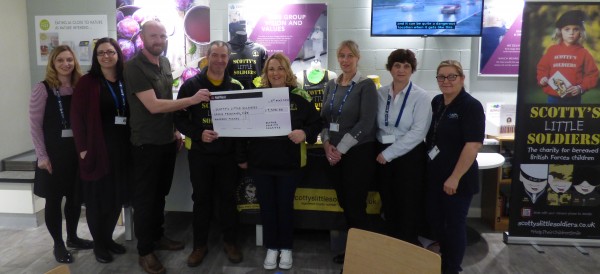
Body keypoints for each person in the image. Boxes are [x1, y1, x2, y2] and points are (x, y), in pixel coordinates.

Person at [124, 19, 210, 274]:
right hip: (145, 144)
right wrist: (192, 99)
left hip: (165, 141)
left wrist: (174, 130)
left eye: (162, 36)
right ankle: (145, 252)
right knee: (145, 200)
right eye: (154, 36)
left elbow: (165, 99)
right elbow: (153, 105)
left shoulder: (163, 62)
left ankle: (157, 237)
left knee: (160, 194)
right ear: (142, 37)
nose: (159, 40)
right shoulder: (133, 67)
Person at [238, 53, 322, 270]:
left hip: (289, 164)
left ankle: (286, 248)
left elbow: (316, 124)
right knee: (267, 207)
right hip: (261, 163)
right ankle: (272, 247)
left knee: (285, 206)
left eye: (280, 68)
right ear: (266, 73)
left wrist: (304, 132)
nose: (276, 73)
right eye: (271, 69)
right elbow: (243, 128)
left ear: (287, 71)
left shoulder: (300, 96)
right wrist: (242, 157)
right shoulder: (256, 96)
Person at [173, 40, 244, 267]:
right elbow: (179, 118)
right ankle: (199, 245)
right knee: (201, 200)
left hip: (227, 156)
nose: (220, 60)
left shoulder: (236, 86)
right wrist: (199, 133)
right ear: (207, 56)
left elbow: (245, 123)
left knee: (228, 199)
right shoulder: (190, 85)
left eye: (224, 56)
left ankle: (230, 242)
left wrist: (241, 156)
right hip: (200, 155)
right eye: (215, 55)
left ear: (228, 58)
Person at [29, 45, 93, 264]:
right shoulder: (43, 88)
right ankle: (58, 243)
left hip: (76, 153)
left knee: (75, 199)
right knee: (54, 201)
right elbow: (35, 126)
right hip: (53, 155)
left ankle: (73, 237)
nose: (66, 64)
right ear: (53, 64)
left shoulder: (79, 87)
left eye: (69, 60)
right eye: (60, 61)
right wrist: (42, 156)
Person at [70, 37, 129, 263]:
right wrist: (83, 148)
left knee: (116, 198)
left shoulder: (124, 79)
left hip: (122, 149)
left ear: (118, 54)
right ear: (96, 57)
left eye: (110, 52)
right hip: (97, 149)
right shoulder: (88, 82)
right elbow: (77, 117)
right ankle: (99, 245)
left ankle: (108, 238)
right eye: (101, 53)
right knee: (97, 200)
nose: (106, 56)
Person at [321, 40, 378, 264]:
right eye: (341, 56)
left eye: (350, 56)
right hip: (333, 152)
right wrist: (327, 145)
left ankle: (362, 257)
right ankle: (355, 250)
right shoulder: (331, 85)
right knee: (345, 202)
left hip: (357, 154)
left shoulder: (366, 86)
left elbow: (366, 123)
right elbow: (324, 119)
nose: (345, 60)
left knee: (355, 206)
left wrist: (340, 150)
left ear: (357, 58)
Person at [426, 60, 484, 274]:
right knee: (436, 221)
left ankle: (452, 268)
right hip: (435, 176)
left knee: (454, 226)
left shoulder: (471, 106)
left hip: (457, 180)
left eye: (452, 76)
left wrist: (455, 177)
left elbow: (473, 145)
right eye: (441, 77)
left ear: (462, 78)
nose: (446, 81)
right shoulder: (437, 102)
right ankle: (443, 258)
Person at [375, 49, 432, 246]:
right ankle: (391, 249)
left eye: (406, 66)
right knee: (388, 204)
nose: (401, 70)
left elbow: (418, 132)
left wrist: (388, 154)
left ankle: (407, 248)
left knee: (408, 206)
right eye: (397, 65)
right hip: (382, 154)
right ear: (390, 68)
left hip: (409, 157)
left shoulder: (421, 97)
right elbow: (375, 125)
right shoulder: (380, 94)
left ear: (412, 70)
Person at [537, 10, 599, 104]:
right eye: (567, 29)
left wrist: (581, 87)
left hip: (574, 99)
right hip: (553, 98)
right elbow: (542, 68)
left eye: (576, 29)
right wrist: (542, 78)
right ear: (560, 31)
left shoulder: (584, 53)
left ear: (581, 32)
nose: (571, 33)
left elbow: (593, 74)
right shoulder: (552, 50)